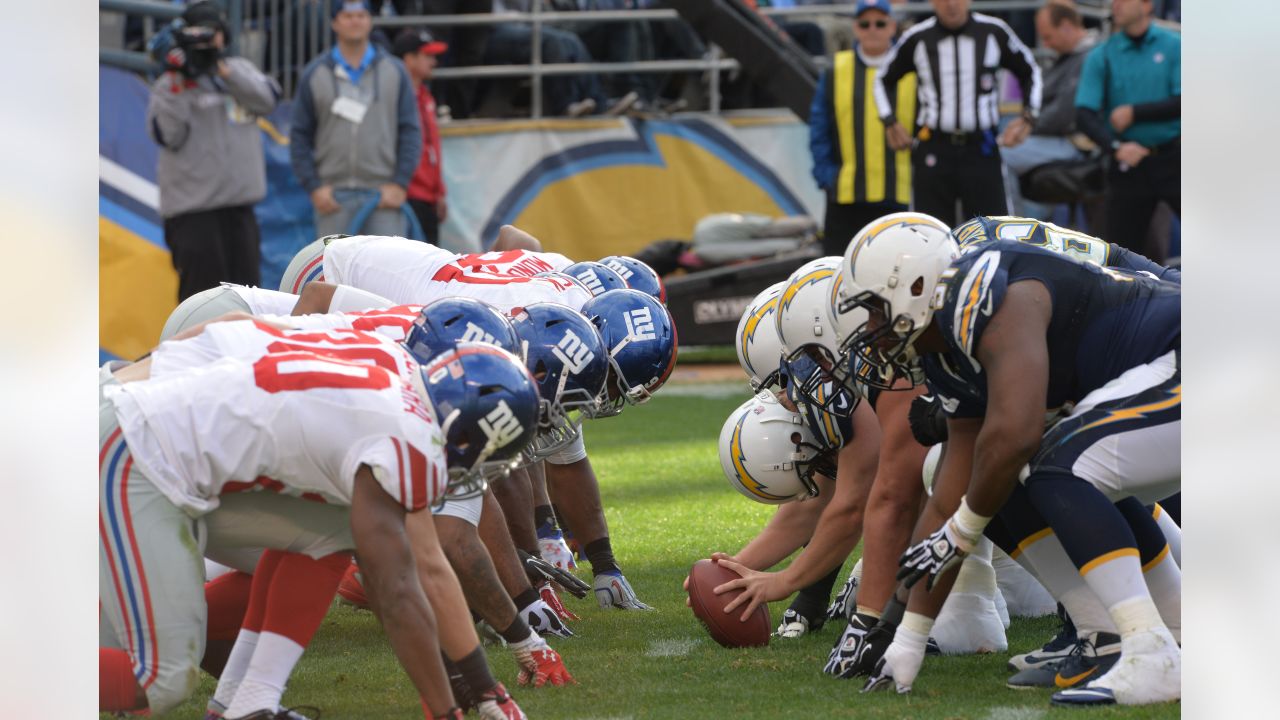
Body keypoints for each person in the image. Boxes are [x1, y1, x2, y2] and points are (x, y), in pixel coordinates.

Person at [836, 217, 1180, 707]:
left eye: (873, 309)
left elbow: (1017, 435)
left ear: (914, 285)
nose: (871, 328)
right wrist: (905, 636)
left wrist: (961, 529)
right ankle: (1163, 628)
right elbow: (949, 498)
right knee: (1012, 480)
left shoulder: (989, 289)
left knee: (1057, 467)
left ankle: (1151, 649)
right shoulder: (948, 353)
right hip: (1166, 381)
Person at [146, 0, 280, 302]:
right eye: (199, 35)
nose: (207, 42)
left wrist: (225, 72)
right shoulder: (171, 82)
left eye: (212, 34)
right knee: (202, 300)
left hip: (239, 208)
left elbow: (268, 99)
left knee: (247, 298)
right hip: (193, 213)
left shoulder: (238, 70)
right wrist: (179, 80)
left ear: (223, 35)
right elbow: (168, 135)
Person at [873, 0, 1042, 224]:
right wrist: (889, 121)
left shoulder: (993, 32)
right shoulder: (918, 37)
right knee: (929, 232)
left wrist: (1029, 116)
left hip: (981, 146)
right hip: (934, 146)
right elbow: (882, 79)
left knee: (994, 231)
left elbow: (1030, 70)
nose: (951, 4)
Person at [290, 1, 421, 238]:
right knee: (335, 273)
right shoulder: (315, 73)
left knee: (386, 271)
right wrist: (314, 187)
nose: (355, 21)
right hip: (333, 198)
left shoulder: (395, 70)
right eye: (348, 15)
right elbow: (299, 135)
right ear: (334, 22)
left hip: (384, 197)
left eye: (362, 15)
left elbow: (410, 130)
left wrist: (400, 184)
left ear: (370, 21)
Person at [1075, 0, 1180, 262]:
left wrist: (1134, 112)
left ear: (1146, 5)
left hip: (1173, 157)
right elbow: (1084, 114)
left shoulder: (1174, 45)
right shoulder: (1103, 54)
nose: (1115, 5)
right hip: (1127, 162)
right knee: (1123, 255)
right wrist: (1115, 147)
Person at [808, 0, 917, 255]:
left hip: (898, 192)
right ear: (855, 29)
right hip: (847, 193)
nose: (872, 30)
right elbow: (819, 126)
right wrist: (826, 177)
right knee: (838, 271)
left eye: (880, 23)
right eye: (865, 24)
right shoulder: (837, 69)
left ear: (892, 27)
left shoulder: (912, 70)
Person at [999, 1, 1096, 218]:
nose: (1045, 43)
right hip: (1056, 137)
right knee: (1000, 133)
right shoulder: (1067, 57)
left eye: (1049, 36)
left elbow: (1063, 114)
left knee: (999, 155)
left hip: (1076, 142)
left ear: (1067, 26)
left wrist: (1026, 127)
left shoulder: (1089, 57)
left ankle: (1015, 230)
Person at [393, 28, 450, 244]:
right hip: (406, 197)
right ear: (408, 59)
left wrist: (439, 192)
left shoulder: (425, 96)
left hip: (427, 198)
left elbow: (433, 147)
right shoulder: (393, 97)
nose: (434, 62)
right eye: (428, 55)